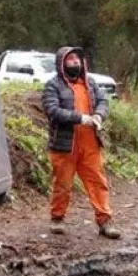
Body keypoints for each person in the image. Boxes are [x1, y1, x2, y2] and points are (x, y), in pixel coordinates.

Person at [41, 46, 121, 240]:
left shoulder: (90, 83)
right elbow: (52, 111)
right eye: (70, 59)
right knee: (63, 184)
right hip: (64, 145)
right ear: (62, 63)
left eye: (77, 58)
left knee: (97, 182)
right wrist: (80, 118)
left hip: (90, 143)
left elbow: (103, 102)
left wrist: (99, 116)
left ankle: (105, 221)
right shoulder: (53, 85)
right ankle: (57, 219)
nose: (75, 62)